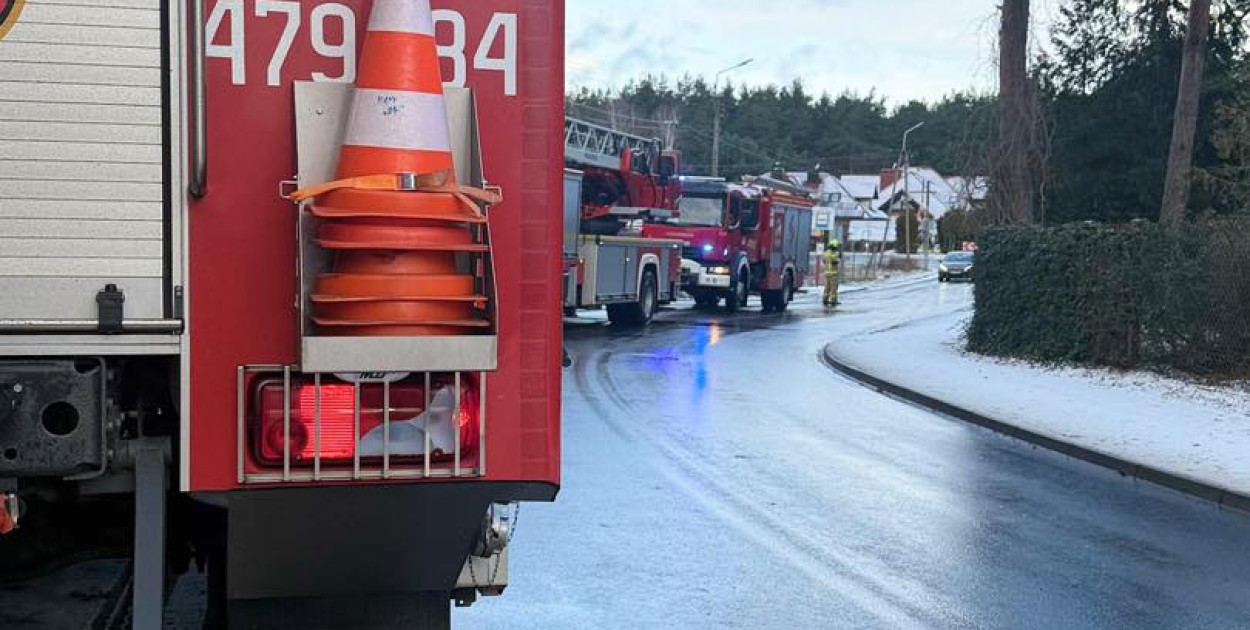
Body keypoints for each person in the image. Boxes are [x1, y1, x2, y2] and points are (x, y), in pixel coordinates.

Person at [822, 239, 841, 307]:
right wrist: (838, 256)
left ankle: (825, 299)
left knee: (827, 287)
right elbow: (835, 260)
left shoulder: (826, 253)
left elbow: (824, 260)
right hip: (833, 274)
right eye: (836, 247)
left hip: (827, 273)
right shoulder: (834, 254)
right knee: (834, 288)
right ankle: (833, 301)